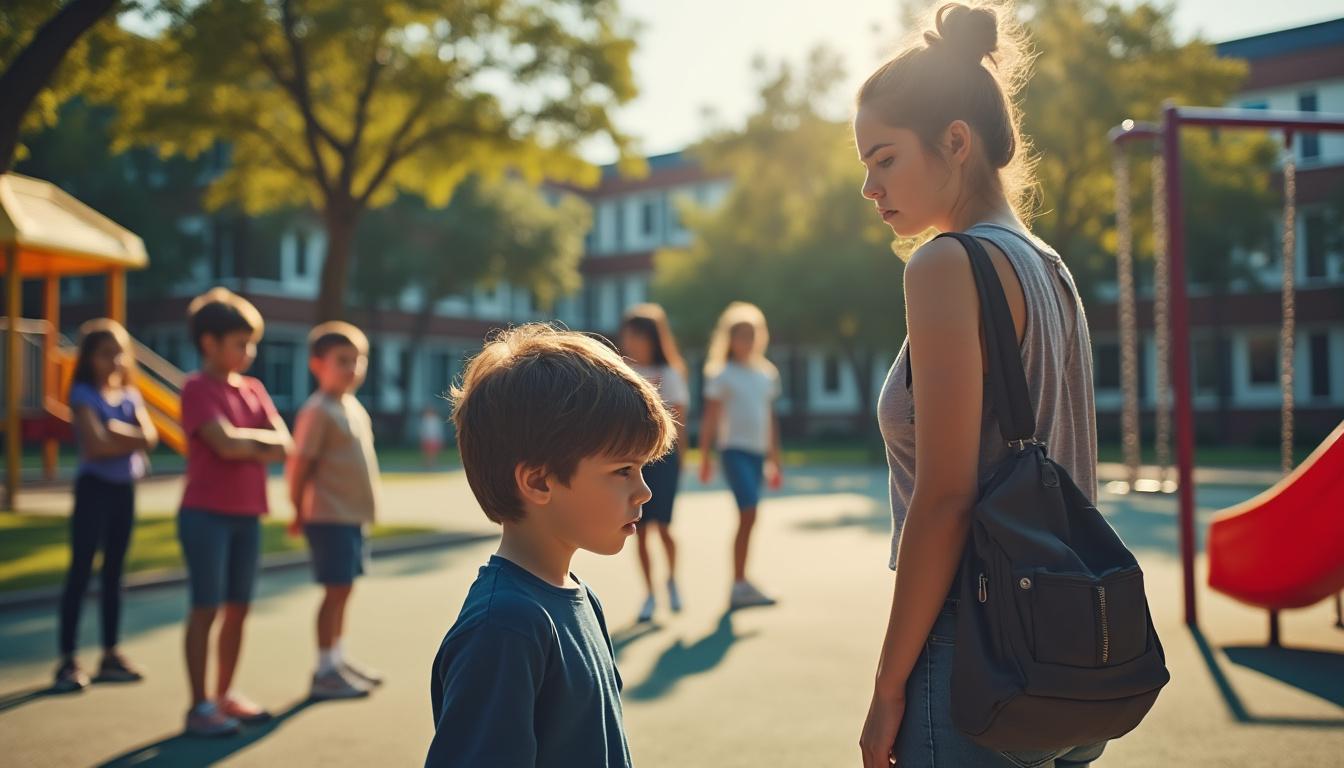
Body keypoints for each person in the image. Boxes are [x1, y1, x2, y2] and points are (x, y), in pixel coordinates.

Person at [853, 5, 1102, 766]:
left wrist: (889, 685)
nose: (870, 186)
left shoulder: (945, 265)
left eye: (885, 158)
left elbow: (946, 495)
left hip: (977, 652)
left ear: (955, 142)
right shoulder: (1050, 268)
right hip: (1070, 645)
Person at [426, 324, 675, 767]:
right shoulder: (503, 628)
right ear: (539, 481)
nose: (644, 492)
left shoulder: (579, 598)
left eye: (643, 468)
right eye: (622, 471)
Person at [176, 287, 292, 737]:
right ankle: (199, 705)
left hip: (248, 514)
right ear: (209, 342)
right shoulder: (196, 388)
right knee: (205, 608)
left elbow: (283, 443)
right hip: (205, 514)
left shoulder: (255, 388)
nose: (250, 352)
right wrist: (251, 442)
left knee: (238, 608)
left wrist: (245, 442)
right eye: (240, 343)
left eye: (252, 343)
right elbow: (222, 444)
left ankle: (225, 695)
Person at [53, 319, 158, 692]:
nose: (114, 361)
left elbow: (150, 438)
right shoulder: (82, 393)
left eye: (119, 353)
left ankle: (110, 653)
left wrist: (113, 431)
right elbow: (95, 447)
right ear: (89, 357)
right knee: (81, 570)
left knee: (115, 573)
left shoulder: (130, 394)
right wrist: (124, 438)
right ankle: (68, 660)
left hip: (123, 490)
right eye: (105, 354)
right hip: (94, 488)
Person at [288, 321, 384, 701]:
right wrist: (297, 510)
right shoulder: (318, 410)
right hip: (327, 516)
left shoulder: (352, 407)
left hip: (351, 518)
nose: (353, 368)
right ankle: (324, 670)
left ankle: (337, 660)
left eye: (358, 360)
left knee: (345, 590)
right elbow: (300, 466)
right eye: (342, 360)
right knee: (335, 591)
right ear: (317, 365)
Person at [698, 301, 783, 611]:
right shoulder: (721, 374)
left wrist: (776, 459)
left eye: (751, 335)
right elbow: (710, 418)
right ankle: (739, 584)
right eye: (739, 335)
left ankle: (742, 582)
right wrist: (704, 457)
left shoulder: (766, 374)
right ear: (729, 339)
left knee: (750, 516)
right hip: (733, 452)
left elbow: (770, 419)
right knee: (748, 511)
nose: (746, 341)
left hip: (758, 454)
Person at [618, 304, 690, 623]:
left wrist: (683, 460)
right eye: (628, 334)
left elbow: (680, 420)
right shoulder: (621, 371)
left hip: (665, 461)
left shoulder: (670, 373)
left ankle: (672, 581)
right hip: (633, 461)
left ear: (650, 337)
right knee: (641, 529)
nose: (629, 341)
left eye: (635, 335)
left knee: (664, 528)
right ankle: (649, 594)